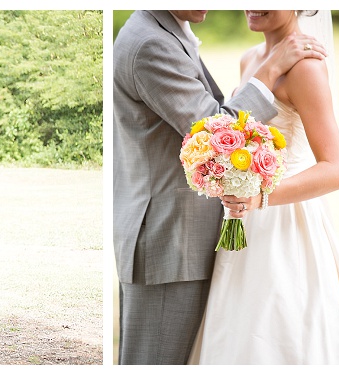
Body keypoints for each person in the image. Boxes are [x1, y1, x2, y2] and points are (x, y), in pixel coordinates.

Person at [112, 10, 326, 364]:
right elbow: (211, 133)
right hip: (171, 242)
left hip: (250, 233)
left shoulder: (167, 27)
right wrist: (269, 71)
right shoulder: (151, 42)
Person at [189, 10, 339, 364]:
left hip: (285, 224)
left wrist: (259, 196)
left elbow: (337, 170)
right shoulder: (249, 59)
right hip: (240, 221)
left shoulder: (307, 68)